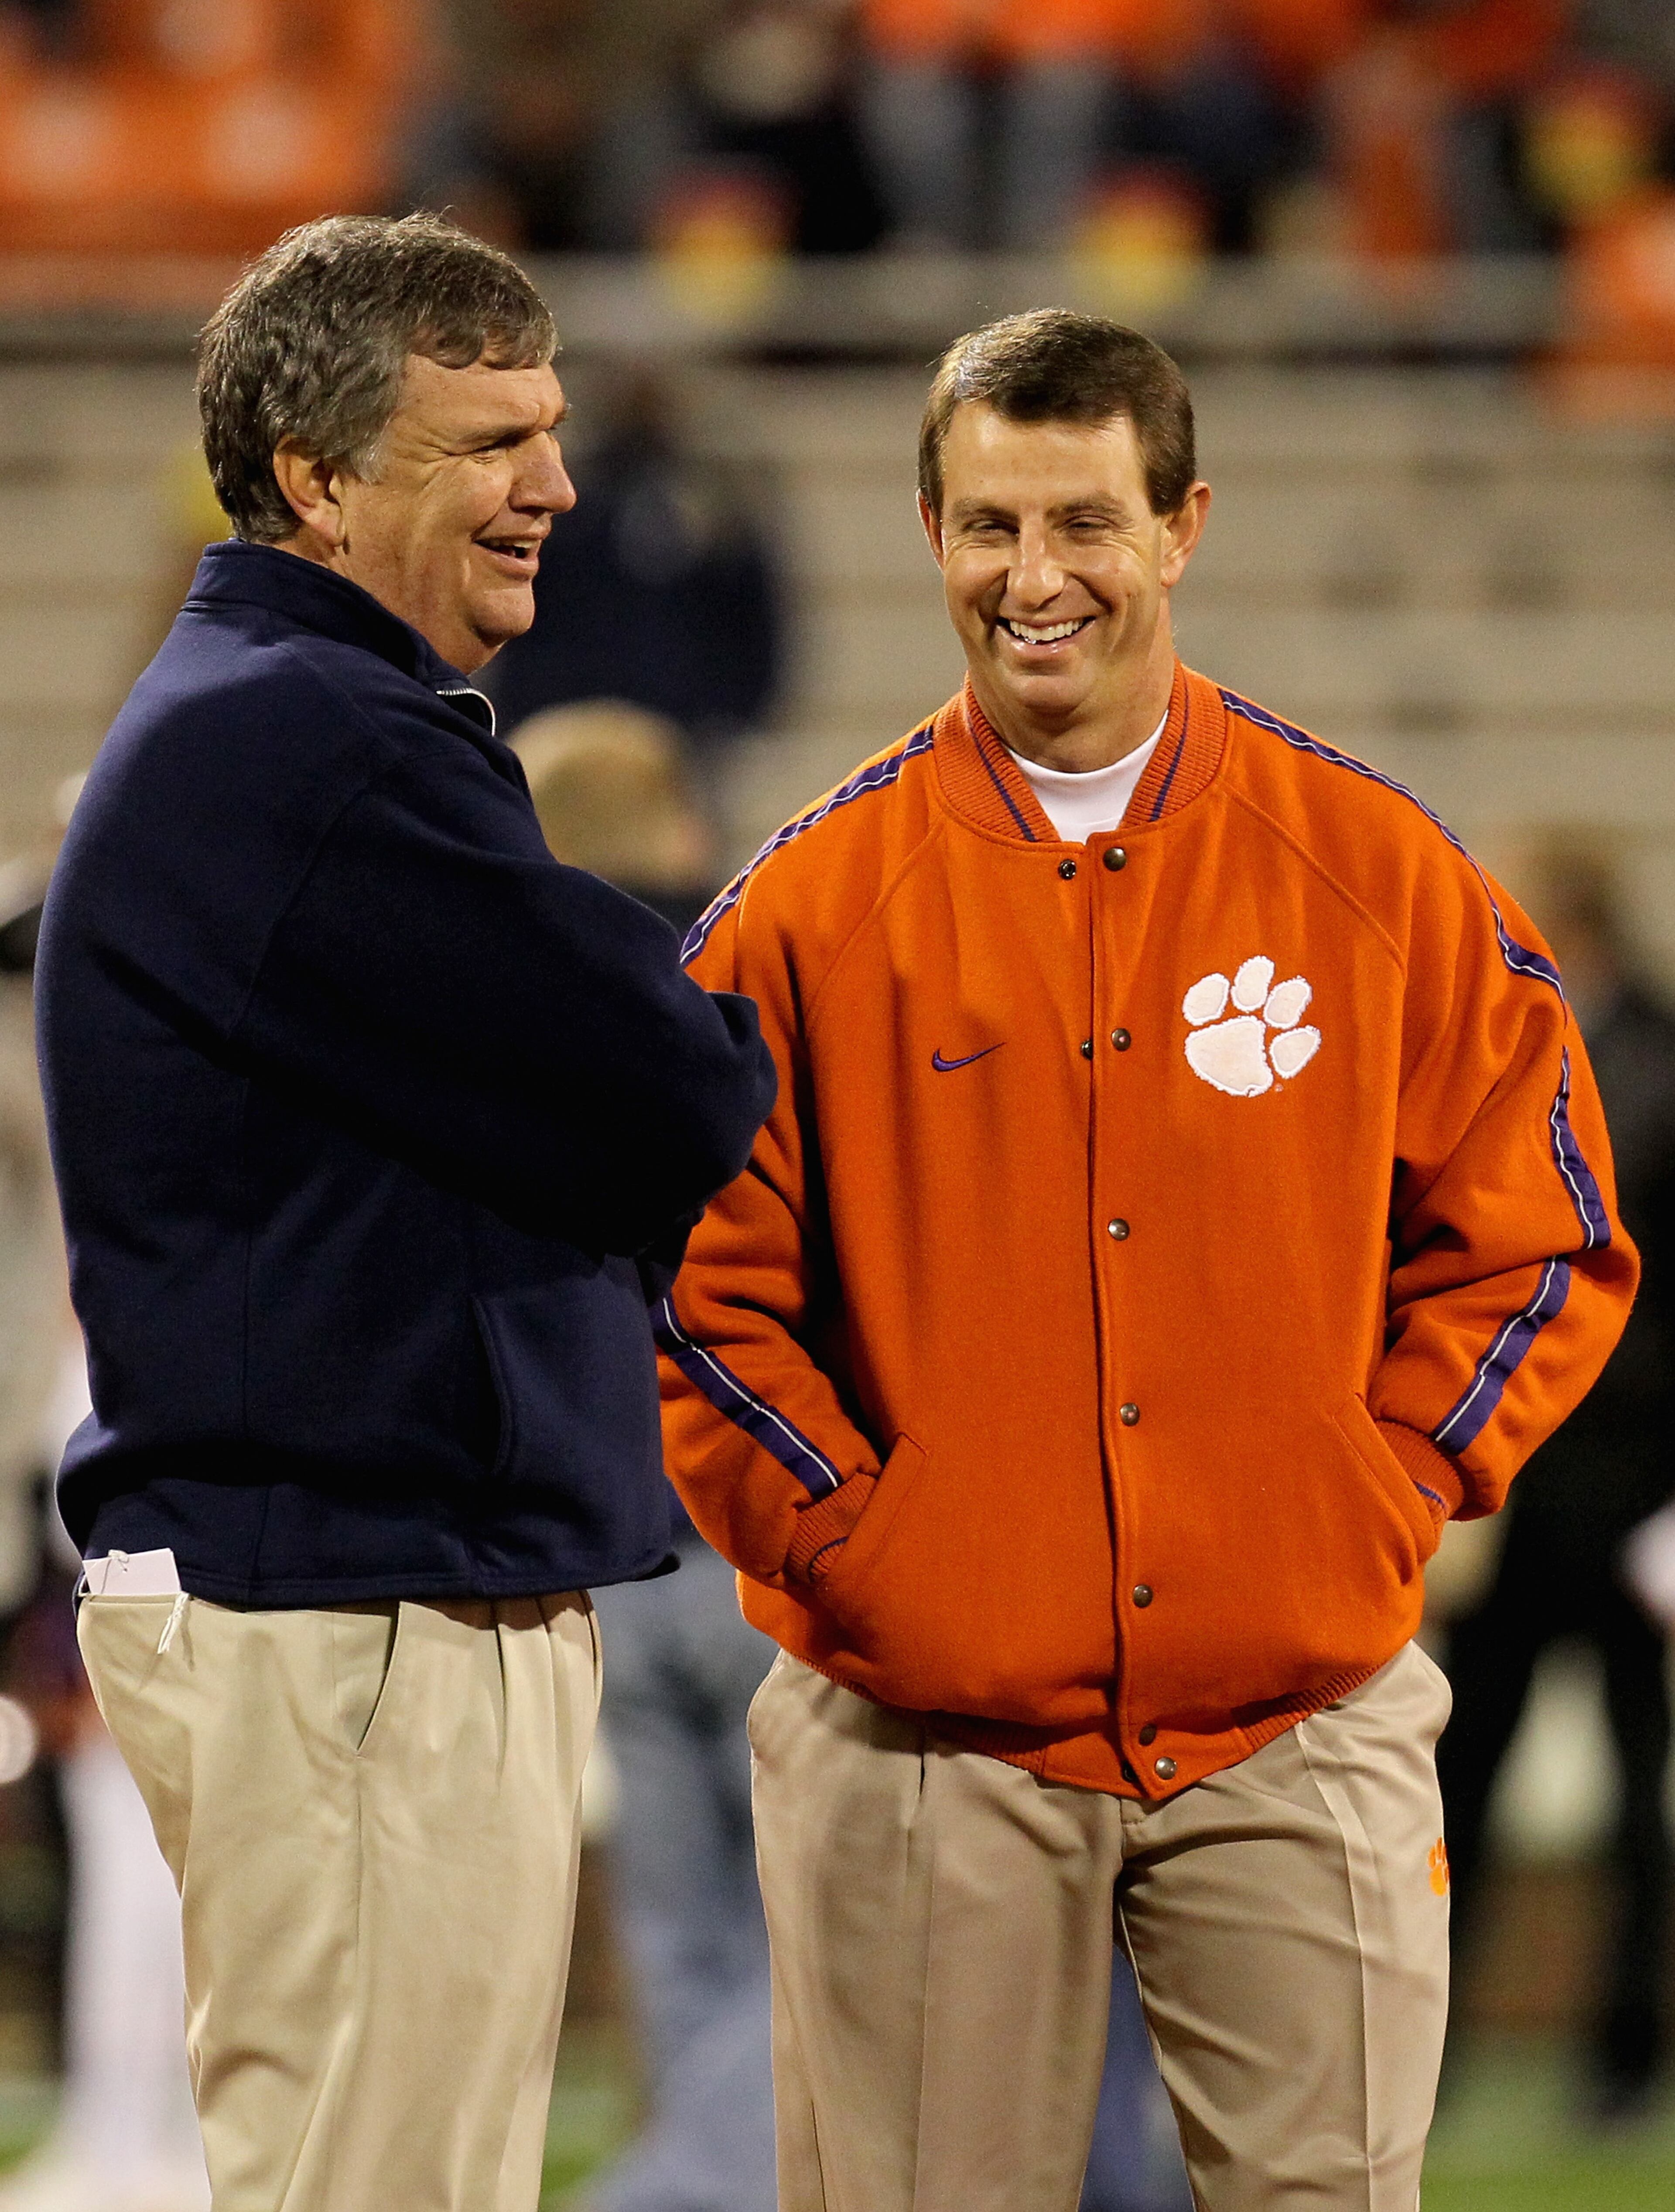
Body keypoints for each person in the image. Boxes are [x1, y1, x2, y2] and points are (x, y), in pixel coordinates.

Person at [657, 309, 1638, 2212]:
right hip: (919, 1737)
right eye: (992, 524)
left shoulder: (1372, 866)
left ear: (1184, 526)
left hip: (1303, 1713)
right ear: (928, 529)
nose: (1039, 578)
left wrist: (1390, 1482)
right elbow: (695, 1293)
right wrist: (867, 1551)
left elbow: (1549, 1229)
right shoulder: (803, 909)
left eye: (1087, 522)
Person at [32, 212, 776, 2212]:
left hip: (349, 1592)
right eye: (485, 442)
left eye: (547, 428)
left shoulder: (281, 718)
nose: (553, 481)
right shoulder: (314, 743)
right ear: (319, 478)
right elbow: (683, 1091)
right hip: (352, 1605)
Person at [511, 703, 779, 2212]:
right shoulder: (753, 973)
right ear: (682, 826)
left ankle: (691, 2185)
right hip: (769, 1510)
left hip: (605, 1528)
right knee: (820, 1931)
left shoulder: (502, 994)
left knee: (679, 1937)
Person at [1437, 849, 1675, 2123]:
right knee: (1465, 1771)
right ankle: (1438, 2040)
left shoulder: (1660, 1060)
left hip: (1633, 1488)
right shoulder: (1494, 1055)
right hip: (1518, 1481)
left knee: (1642, 1785)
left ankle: (1626, 2058)